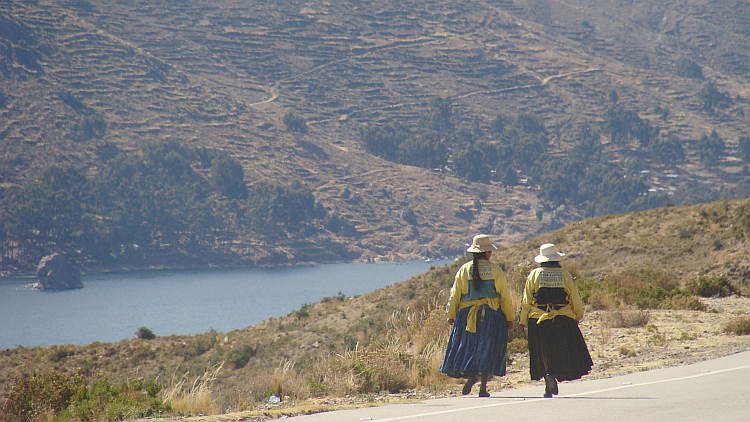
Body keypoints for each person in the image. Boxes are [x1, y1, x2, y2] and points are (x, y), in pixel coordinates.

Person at [439, 234, 515, 397]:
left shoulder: (464, 270)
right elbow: (504, 297)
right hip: (491, 316)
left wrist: (451, 315)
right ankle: (483, 388)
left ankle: (472, 374)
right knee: (487, 348)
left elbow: (455, 295)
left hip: (467, 317)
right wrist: (510, 317)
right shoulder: (496, 270)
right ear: (488, 253)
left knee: (471, 347)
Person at [520, 243, 593, 398]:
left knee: (543, 352)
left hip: (538, 318)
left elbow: (526, 300)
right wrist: (577, 316)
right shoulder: (565, 275)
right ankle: (553, 378)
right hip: (562, 317)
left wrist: (522, 321)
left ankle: (548, 379)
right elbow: (575, 298)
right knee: (559, 350)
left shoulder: (534, 275)